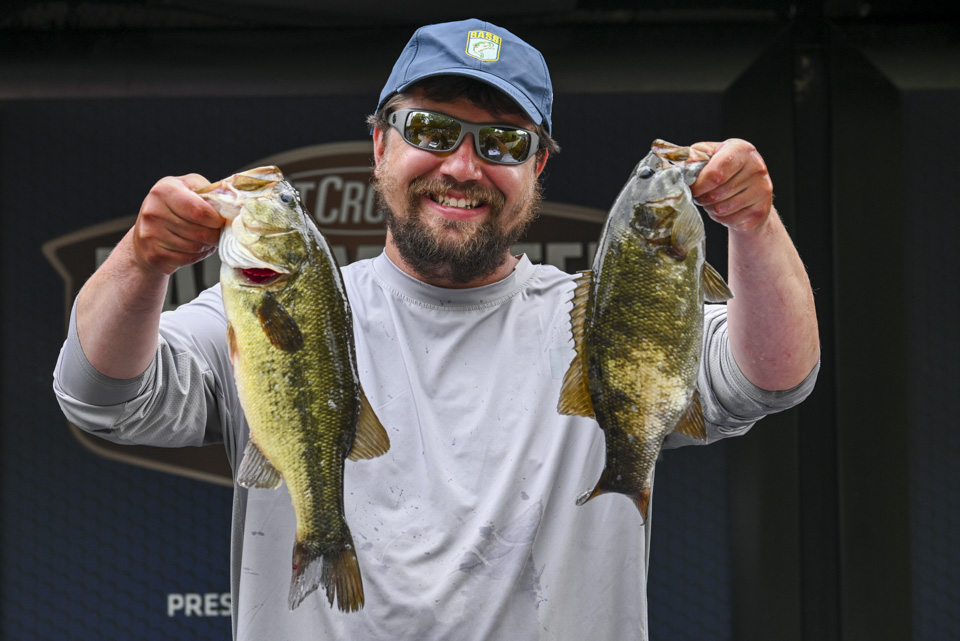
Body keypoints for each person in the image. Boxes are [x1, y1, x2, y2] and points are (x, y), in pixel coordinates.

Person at [53, 18, 819, 641]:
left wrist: (753, 223)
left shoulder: (605, 317)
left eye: (504, 142)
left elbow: (772, 375)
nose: (462, 166)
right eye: (430, 127)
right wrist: (142, 260)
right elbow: (99, 396)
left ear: (537, 169)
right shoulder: (289, 304)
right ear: (380, 144)